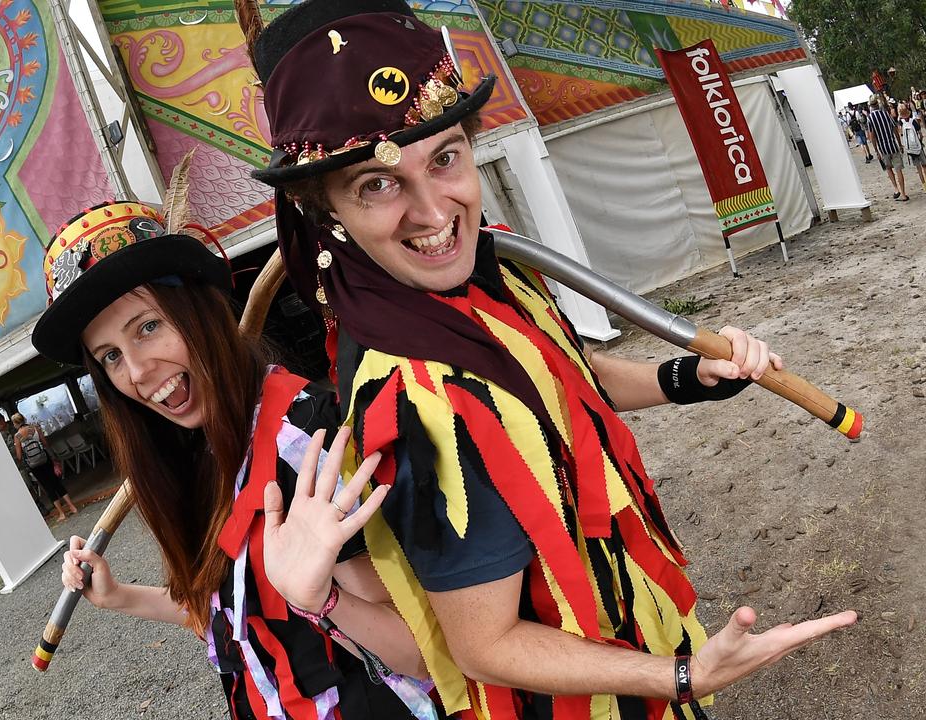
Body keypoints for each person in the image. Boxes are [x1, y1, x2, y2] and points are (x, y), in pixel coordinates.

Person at [246, 1, 856, 717]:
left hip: (619, 639)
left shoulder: (491, 278)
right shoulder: (411, 399)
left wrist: (687, 377)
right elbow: (485, 643)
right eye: (376, 185)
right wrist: (682, 676)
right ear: (328, 213)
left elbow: (559, 378)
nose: (433, 211)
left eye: (444, 158)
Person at [36, 201, 440, 718]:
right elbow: (234, 615)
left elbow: (421, 654)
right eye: (111, 355)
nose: (136, 371)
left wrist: (323, 600)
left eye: (147, 327)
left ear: (199, 311)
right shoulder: (197, 449)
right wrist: (119, 595)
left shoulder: (304, 442)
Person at [12, 412, 78, 521]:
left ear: (15, 423)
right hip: (45, 458)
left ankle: (61, 513)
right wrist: (52, 457)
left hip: (33, 465)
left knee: (48, 487)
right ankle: (72, 506)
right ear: (23, 419)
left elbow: (19, 456)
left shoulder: (17, 436)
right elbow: (45, 443)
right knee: (56, 482)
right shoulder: (35, 428)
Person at [0, 411, 53, 515]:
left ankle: (53, 499)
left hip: (30, 458)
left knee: (41, 480)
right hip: (17, 465)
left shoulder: (15, 428)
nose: (0, 426)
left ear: (3, 420)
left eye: (0, 423)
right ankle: (40, 506)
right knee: (28, 485)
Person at [865, 96, 908, 201]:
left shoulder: (870, 118)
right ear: (877, 104)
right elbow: (895, 129)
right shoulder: (885, 114)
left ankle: (896, 189)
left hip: (883, 148)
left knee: (888, 168)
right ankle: (903, 194)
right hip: (893, 145)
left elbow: (872, 136)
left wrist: (876, 150)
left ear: (870, 106)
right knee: (898, 170)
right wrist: (900, 144)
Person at [898, 104, 926, 196]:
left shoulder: (901, 123)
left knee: (919, 169)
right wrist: (920, 142)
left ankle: (925, 188)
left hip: (911, 149)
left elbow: (901, 134)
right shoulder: (913, 121)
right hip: (918, 146)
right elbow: (920, 134)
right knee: (924, 166)